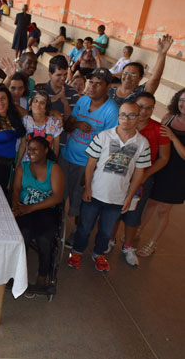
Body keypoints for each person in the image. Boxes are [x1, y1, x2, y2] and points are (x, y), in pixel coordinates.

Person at [67, 101, 151, 272]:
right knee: (84, 227)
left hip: (118, 198)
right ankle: (77, 251)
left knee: (106, 231)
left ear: (138, 117)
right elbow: (91, 164)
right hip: (95, 193)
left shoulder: (142, 144)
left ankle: (98, 254)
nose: (126, 119)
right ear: (118, 116)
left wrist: (129, 197)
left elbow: (139, 173)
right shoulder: (104, 136)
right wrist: (88, 188)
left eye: (131, 115)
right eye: (122, 115)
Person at [106, 92, 170, 266]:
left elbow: (163, 158)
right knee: (114, 210)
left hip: (142, 180)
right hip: (118, 176)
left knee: (133, 213)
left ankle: (128, 246)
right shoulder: (122, 124)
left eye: (149, 108)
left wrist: (145, 175)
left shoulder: (158, 129)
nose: (144, 111)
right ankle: (110, 240)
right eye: (141, 107)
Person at [60, 68, 119, 247]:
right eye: (90, 82)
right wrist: (76, 123)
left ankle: (76, 231)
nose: (92, 86)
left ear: (107, 87)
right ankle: (56, 227)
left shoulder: (111, 111)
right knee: (59, 195)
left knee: (80, 202)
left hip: (87, 164)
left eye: (98, 83)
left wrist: (94, 172)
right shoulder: (83, 100)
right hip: (67, 156)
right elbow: (69, 126)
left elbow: (111, 146)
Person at [136, 88, 185, 258]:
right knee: (151, 203)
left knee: (164, 210)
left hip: (178, 173)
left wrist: (173, 137)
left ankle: (152, 243)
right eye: (182, 100)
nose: (184, 104)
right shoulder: (169, 117)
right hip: (161, 166)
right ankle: (138, 230)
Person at [12, 136, 64, 292]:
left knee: (44, 239)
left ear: (46, 151)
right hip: (24, 208)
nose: (30, 152)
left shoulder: (54, 168)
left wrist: (31, 208)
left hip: (46, 210)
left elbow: (57, 197)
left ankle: (42, 275)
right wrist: (16, 207)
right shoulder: (23, 167)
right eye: (29, 149)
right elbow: (16, 190)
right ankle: (17, 273)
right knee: (24, 235)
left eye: (35, 149)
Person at [107, 35, 173, 107]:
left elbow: (155, 78)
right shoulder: (110, 90)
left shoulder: (141, 93)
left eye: (133, 74)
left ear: (140, 77)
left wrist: (162, 54)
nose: (128, 77)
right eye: (125, 73)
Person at [17, 91, 62, 162]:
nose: (38, 104)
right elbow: (23, 145)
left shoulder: (54, 122)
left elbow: (56, 148)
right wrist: (18, 165)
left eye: (42, 103)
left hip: (46, 163)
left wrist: (52, 164)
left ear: (46, 108)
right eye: (35, 101)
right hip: (27, 162)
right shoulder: (25, 121)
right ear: (30, 105)